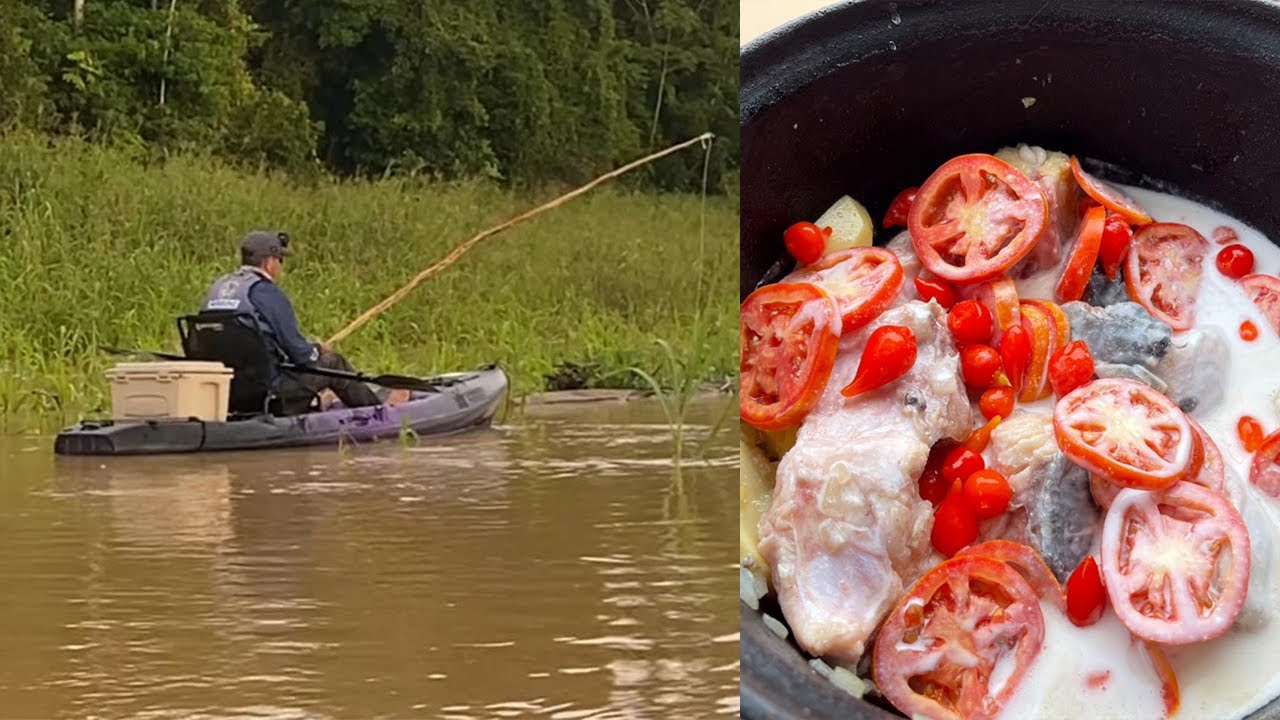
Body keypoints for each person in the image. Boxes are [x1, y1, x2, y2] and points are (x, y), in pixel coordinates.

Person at [202, 230, 404, 414]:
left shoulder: (217, 287)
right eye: (280, 260)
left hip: (227, 391)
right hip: (269, 392)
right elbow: (301, 355)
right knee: (333, 363)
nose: (280, 267)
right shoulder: (267, 293)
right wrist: (317, 349)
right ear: (269, 262)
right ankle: (379, 413)